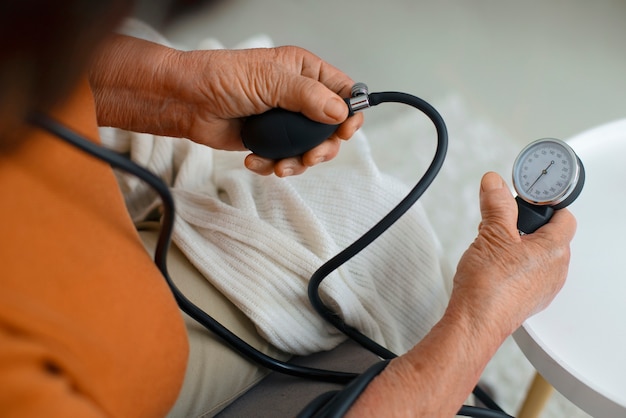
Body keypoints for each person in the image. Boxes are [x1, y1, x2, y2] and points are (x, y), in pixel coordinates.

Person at [0, 1, 576, 417]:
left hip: (98, 262)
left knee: (365, 221)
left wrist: (177, 90)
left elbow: (29, 63)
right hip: (115, 371)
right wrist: (480, 322)